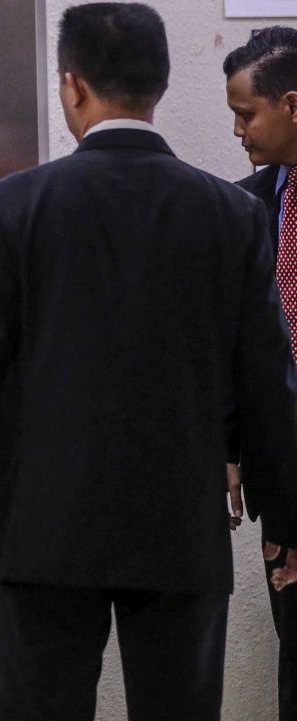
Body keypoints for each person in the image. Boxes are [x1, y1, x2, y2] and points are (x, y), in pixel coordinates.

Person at [0, 4, 297, 720]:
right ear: (161, 88)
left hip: (49, 524)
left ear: (72, 86)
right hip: (180, 528)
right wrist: (289, 523)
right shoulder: (229, 215)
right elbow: (269, 382)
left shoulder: (17, 205)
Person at [225, 26, 297, 721]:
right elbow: (230, 339)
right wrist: (231, 443)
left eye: (248, 114)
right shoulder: (245, 205)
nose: (239, 130)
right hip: (285, 466)